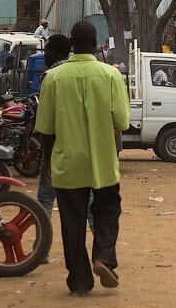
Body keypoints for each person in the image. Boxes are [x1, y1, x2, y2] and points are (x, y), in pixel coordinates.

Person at [35, 22, 130, 295]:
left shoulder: (53, 78)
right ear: (94, 42)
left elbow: (46, 129)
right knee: (107, 212)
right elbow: (122, 121)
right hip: (102, 162)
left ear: (72, 42)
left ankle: (79, 280)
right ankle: (104, 257)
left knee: (72, 222)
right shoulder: (110, 76)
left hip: (67, 164)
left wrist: (48, 163)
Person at [36, 34, 73, 217]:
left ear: (53, 53)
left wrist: (48, 157)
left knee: (45, 197)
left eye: (46, 52)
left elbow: (46, 123)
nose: (44, 56)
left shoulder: (50, 77)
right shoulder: (75, 74)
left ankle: (41, 240)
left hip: (56, 147)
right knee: (85, 198)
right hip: (77, 146)